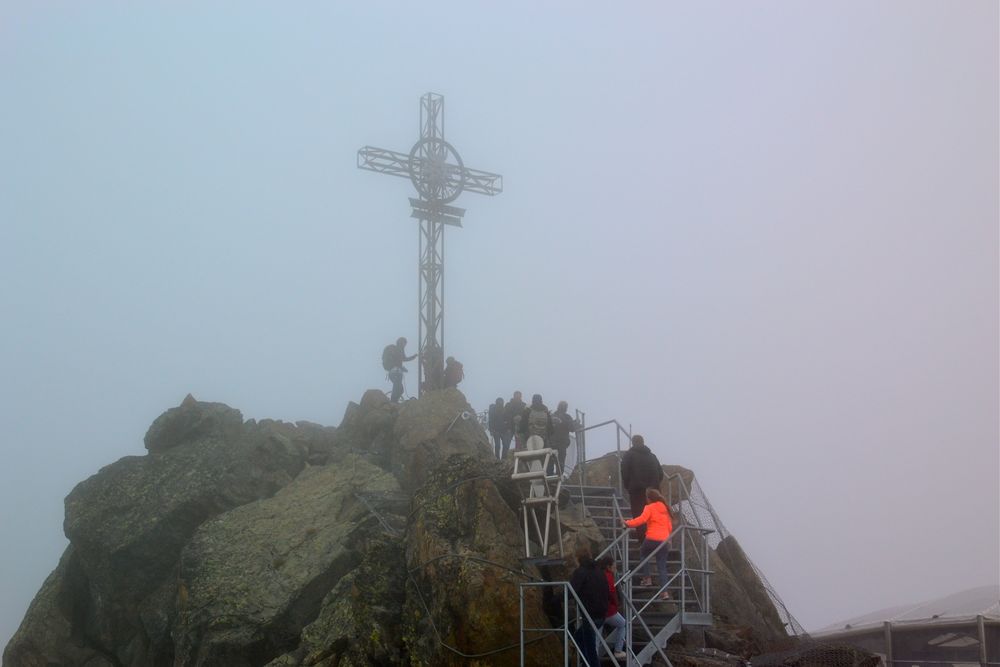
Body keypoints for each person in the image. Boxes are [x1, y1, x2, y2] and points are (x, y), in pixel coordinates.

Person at [624, 488, 674, 600]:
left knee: (643, 553)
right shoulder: (665, 509)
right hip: (664, 541)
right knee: (662, 566)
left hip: (652, 538)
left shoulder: (649, 507)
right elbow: (669, 527)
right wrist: (668, 539)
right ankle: (665, 593)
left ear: (649, 498)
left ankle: (647, 578)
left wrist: (628, 523)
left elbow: (641, 520)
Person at [569, 546, 609, 667]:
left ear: (578, 558)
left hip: (590, 615)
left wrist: (553, 600)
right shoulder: (599, 570)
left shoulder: (580, 572)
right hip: (601, 614)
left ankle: (588, 664)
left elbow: (571, 591)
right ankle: (584, 662)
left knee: (590, 648)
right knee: (579, 637)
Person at [620, 435, 663, 540]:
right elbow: (660, 473)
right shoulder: (652, 456)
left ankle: (644, 542)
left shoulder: (629, 455)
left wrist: (628, 485)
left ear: (633, 442)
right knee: (653, 516)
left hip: (637, 491)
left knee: (640, 515)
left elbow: (624, 472)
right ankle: (656, 540)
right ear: (643, 442)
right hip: (653, 491)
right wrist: (655, 486)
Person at [596, 555, 628, 661]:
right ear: (608, 567)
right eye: (614, 567)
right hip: (608, 610)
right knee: (623, 623)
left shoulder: (597, 574)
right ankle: (618, 650)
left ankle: (593, 657)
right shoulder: (608, 575)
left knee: (597, 634)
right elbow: (612, 592)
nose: (615, 569)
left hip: (596, 610)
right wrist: (616, 603)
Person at [381, 337, 416, 403]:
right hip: (396, 372)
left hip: (392, 372)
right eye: (404, 343)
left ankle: (394, 401)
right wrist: (413, 357)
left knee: (400, 389)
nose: (405, 345)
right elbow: (403, 359)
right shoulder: (398, 349)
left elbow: (399, 360)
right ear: (401, 343)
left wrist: (403, 367)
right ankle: (393, 402)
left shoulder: (394, 349)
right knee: (397, 386)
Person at [549, 401, 578, 475]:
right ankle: (557, 478)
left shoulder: (552, 415)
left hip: (554, 442)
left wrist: (561, 421)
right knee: (560, 461)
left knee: (551, 460)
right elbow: (572, 429)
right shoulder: (567, 417)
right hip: (560, 443)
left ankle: (550, 477)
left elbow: (572, 429)